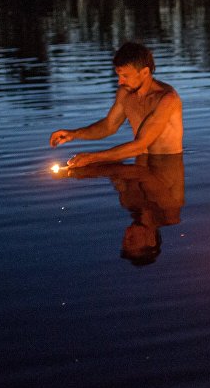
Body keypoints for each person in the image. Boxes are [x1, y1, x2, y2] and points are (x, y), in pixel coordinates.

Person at [50, 42, 183, 167]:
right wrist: (73, 134)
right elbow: (109, 126)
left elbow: (141, 145)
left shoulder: (167, 99)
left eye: (125, 76)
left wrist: (92, 158)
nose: (120, 82)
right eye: (119, 76)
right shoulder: (125, 93)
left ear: (144, 72)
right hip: (141, 162)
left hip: (168, 167)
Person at [63, 153, 186, 266]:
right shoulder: (168, 212)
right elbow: (142, 173)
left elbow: (115, 170)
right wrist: (91, 167)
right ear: (151, 239)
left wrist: (84, 169)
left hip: (141, 147)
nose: (126, 233)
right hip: (162, 151)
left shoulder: (127, 201)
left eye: (125, 238)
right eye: (131, 239)